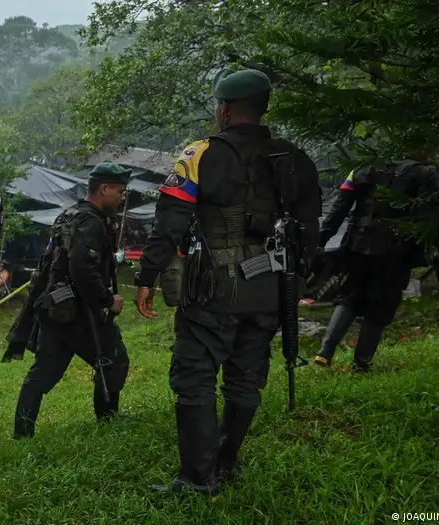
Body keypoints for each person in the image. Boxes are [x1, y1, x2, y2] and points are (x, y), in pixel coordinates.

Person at [133, 69, 322, 495]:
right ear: (264, 107)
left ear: (224, 108)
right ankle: (226, 461)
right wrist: (295, 286)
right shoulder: (297, 159)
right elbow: (310, 233)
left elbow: (169, 224)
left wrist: (147, 276)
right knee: (247, 375)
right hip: (274, 286)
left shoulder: (201, 153)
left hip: (215, 287)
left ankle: (198, 478)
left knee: (195, 376)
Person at [11, 162, 133, 439]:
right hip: (79, 313)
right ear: (104, 188)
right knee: (113, 359)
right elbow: (82, 268)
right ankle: (108, 422)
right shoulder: (90, 222)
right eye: (119, 190)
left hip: (57, 308)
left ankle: (22, 433)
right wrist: (106, 300)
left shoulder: (70, 215)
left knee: (43, 373)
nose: (122, 197)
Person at [314, 156, 439, 370]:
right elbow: (433, 217)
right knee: (383, 304)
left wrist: (321, 240)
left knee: (350, 297)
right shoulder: (424, 174)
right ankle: (362, 362)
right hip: (397, 251)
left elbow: (340, 207)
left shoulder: (361, 168)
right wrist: (434, 249)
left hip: (359, 246)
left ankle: (325, 351)